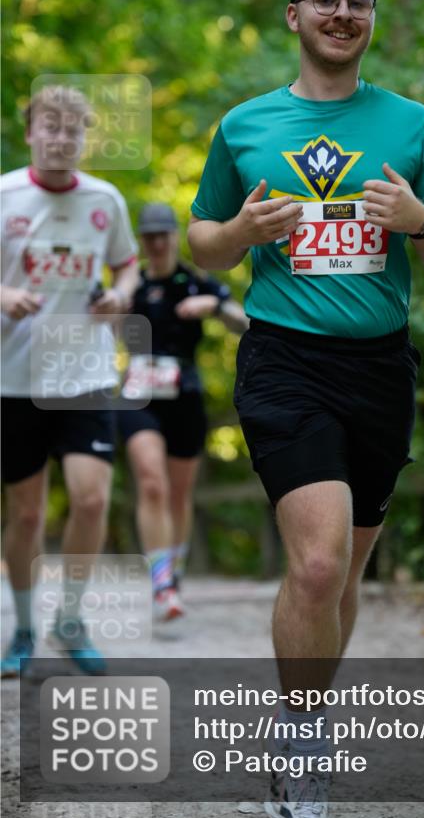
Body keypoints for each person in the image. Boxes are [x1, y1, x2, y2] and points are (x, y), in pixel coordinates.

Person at [187, 0, 424, 818]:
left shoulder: (410, 124)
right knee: (314, 567)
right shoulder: (244, 126)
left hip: (380, 368)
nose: (341, 12)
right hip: (283, 359)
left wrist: (419, 220)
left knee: (343, 578)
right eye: (323, 0)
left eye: (357, 1)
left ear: (370, 18)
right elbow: (203, 242)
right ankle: (302, 750)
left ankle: (303, 718)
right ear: (294, 16)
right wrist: (242, 228)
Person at [1, 85, 139, 676]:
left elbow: (127, 262)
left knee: (90, 499)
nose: (61, 139)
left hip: (84, 372)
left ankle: (71, 620)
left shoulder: (106, 199)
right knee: (28, 515)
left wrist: (122, 294)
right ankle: (26, 628)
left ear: (85, 138)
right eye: (50, 128)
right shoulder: (4, 194)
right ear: (31, 132)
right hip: (15, 377)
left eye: (72, 130)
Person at [117, 202, 247, 622]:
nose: (157, 243)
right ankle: (162, 584)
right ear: (141, 240)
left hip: (185, 394)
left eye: (163, 234)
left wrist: (212, 306)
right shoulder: (129, 284)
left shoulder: (195, 282)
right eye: (149, 236)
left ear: (175, 236)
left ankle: (174, 568)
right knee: (151, 484)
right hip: (138, 395)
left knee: (177, 492)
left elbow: (244, 323)